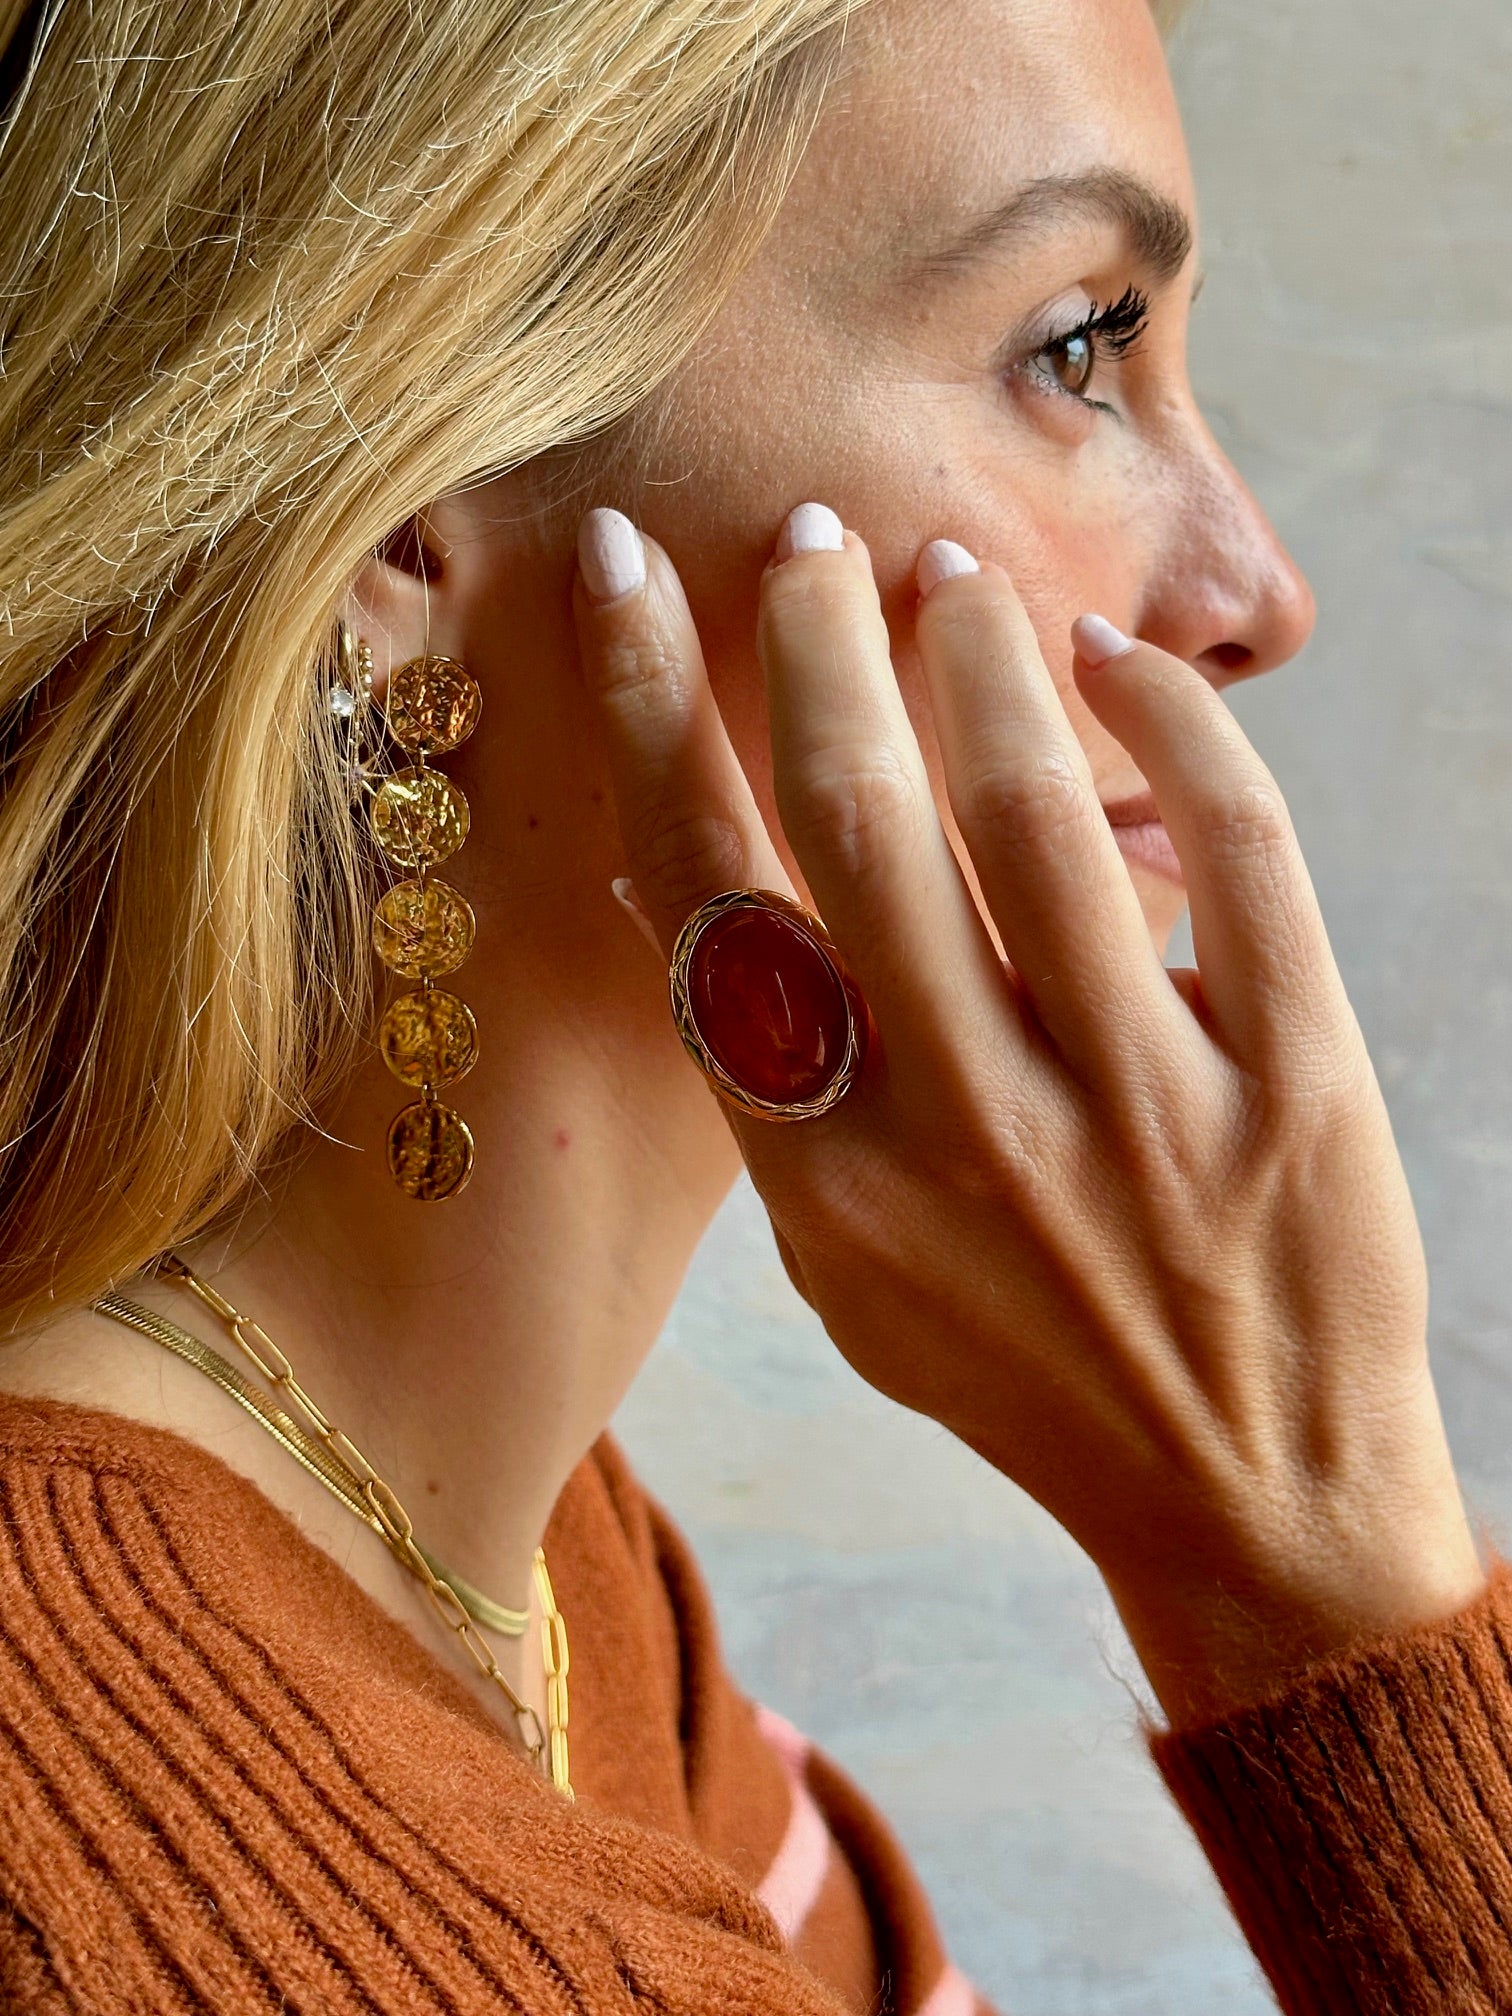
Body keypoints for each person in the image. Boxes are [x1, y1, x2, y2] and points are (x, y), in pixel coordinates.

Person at [1, 0, 1508, 2008]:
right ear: (410, 507)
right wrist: (1317, 1577)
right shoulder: (181, 1891)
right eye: (1077, 347)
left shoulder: (553, 1581)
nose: (1259, 590)